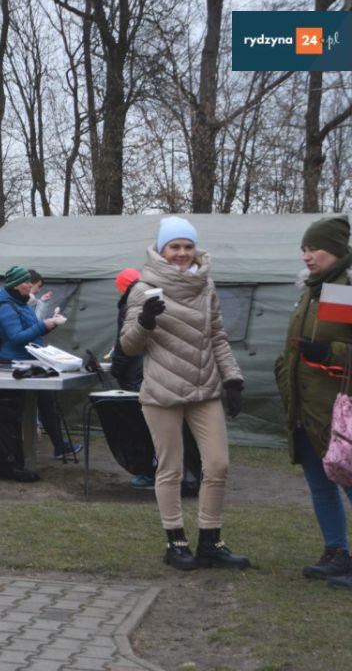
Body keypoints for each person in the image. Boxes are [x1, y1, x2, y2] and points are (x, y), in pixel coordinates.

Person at [120, 217, 249, 571]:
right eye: (174, 246)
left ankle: (210, 541)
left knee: (218, 465)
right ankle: (175, 542)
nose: (182, 253)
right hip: (162, 392)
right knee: (171, 469)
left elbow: (218, 336)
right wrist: (145, 321)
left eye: (188, 246)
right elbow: (128, 347)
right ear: (162, 250)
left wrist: (232, 379)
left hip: (204, 389)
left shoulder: (206, 286)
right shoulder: (143, 288)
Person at [275, 216, 352, 587]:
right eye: (304, 249)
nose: (307, 256)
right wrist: (283, 371)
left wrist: (330, 353)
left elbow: (340, 345)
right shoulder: (311, 290)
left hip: (338, 414)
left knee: (348, 482)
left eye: (314, 248)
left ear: (335, 250)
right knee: (321, 485)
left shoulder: (345, 289)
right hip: (305, 411)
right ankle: (336, 553)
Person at [111, 268, 203, 494]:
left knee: (148, 429)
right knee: (178, 427)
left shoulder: (131, 304)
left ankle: (153, 473)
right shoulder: (165, 300)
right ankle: (190, 476)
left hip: (140, 377)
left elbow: (126, 345)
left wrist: (116, 368)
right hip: (169, 372)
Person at [0, 266, 82, 460]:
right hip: (14, 364)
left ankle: (60, 446)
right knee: (13, 410)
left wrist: (49, 325)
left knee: (47, 404)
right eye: (27, 282)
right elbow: (15, 337)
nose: (30, 285)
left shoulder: (22, 303)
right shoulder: (5, 307)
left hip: (32, 362)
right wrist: (42, 326)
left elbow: (32, 330)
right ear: (17, 285)